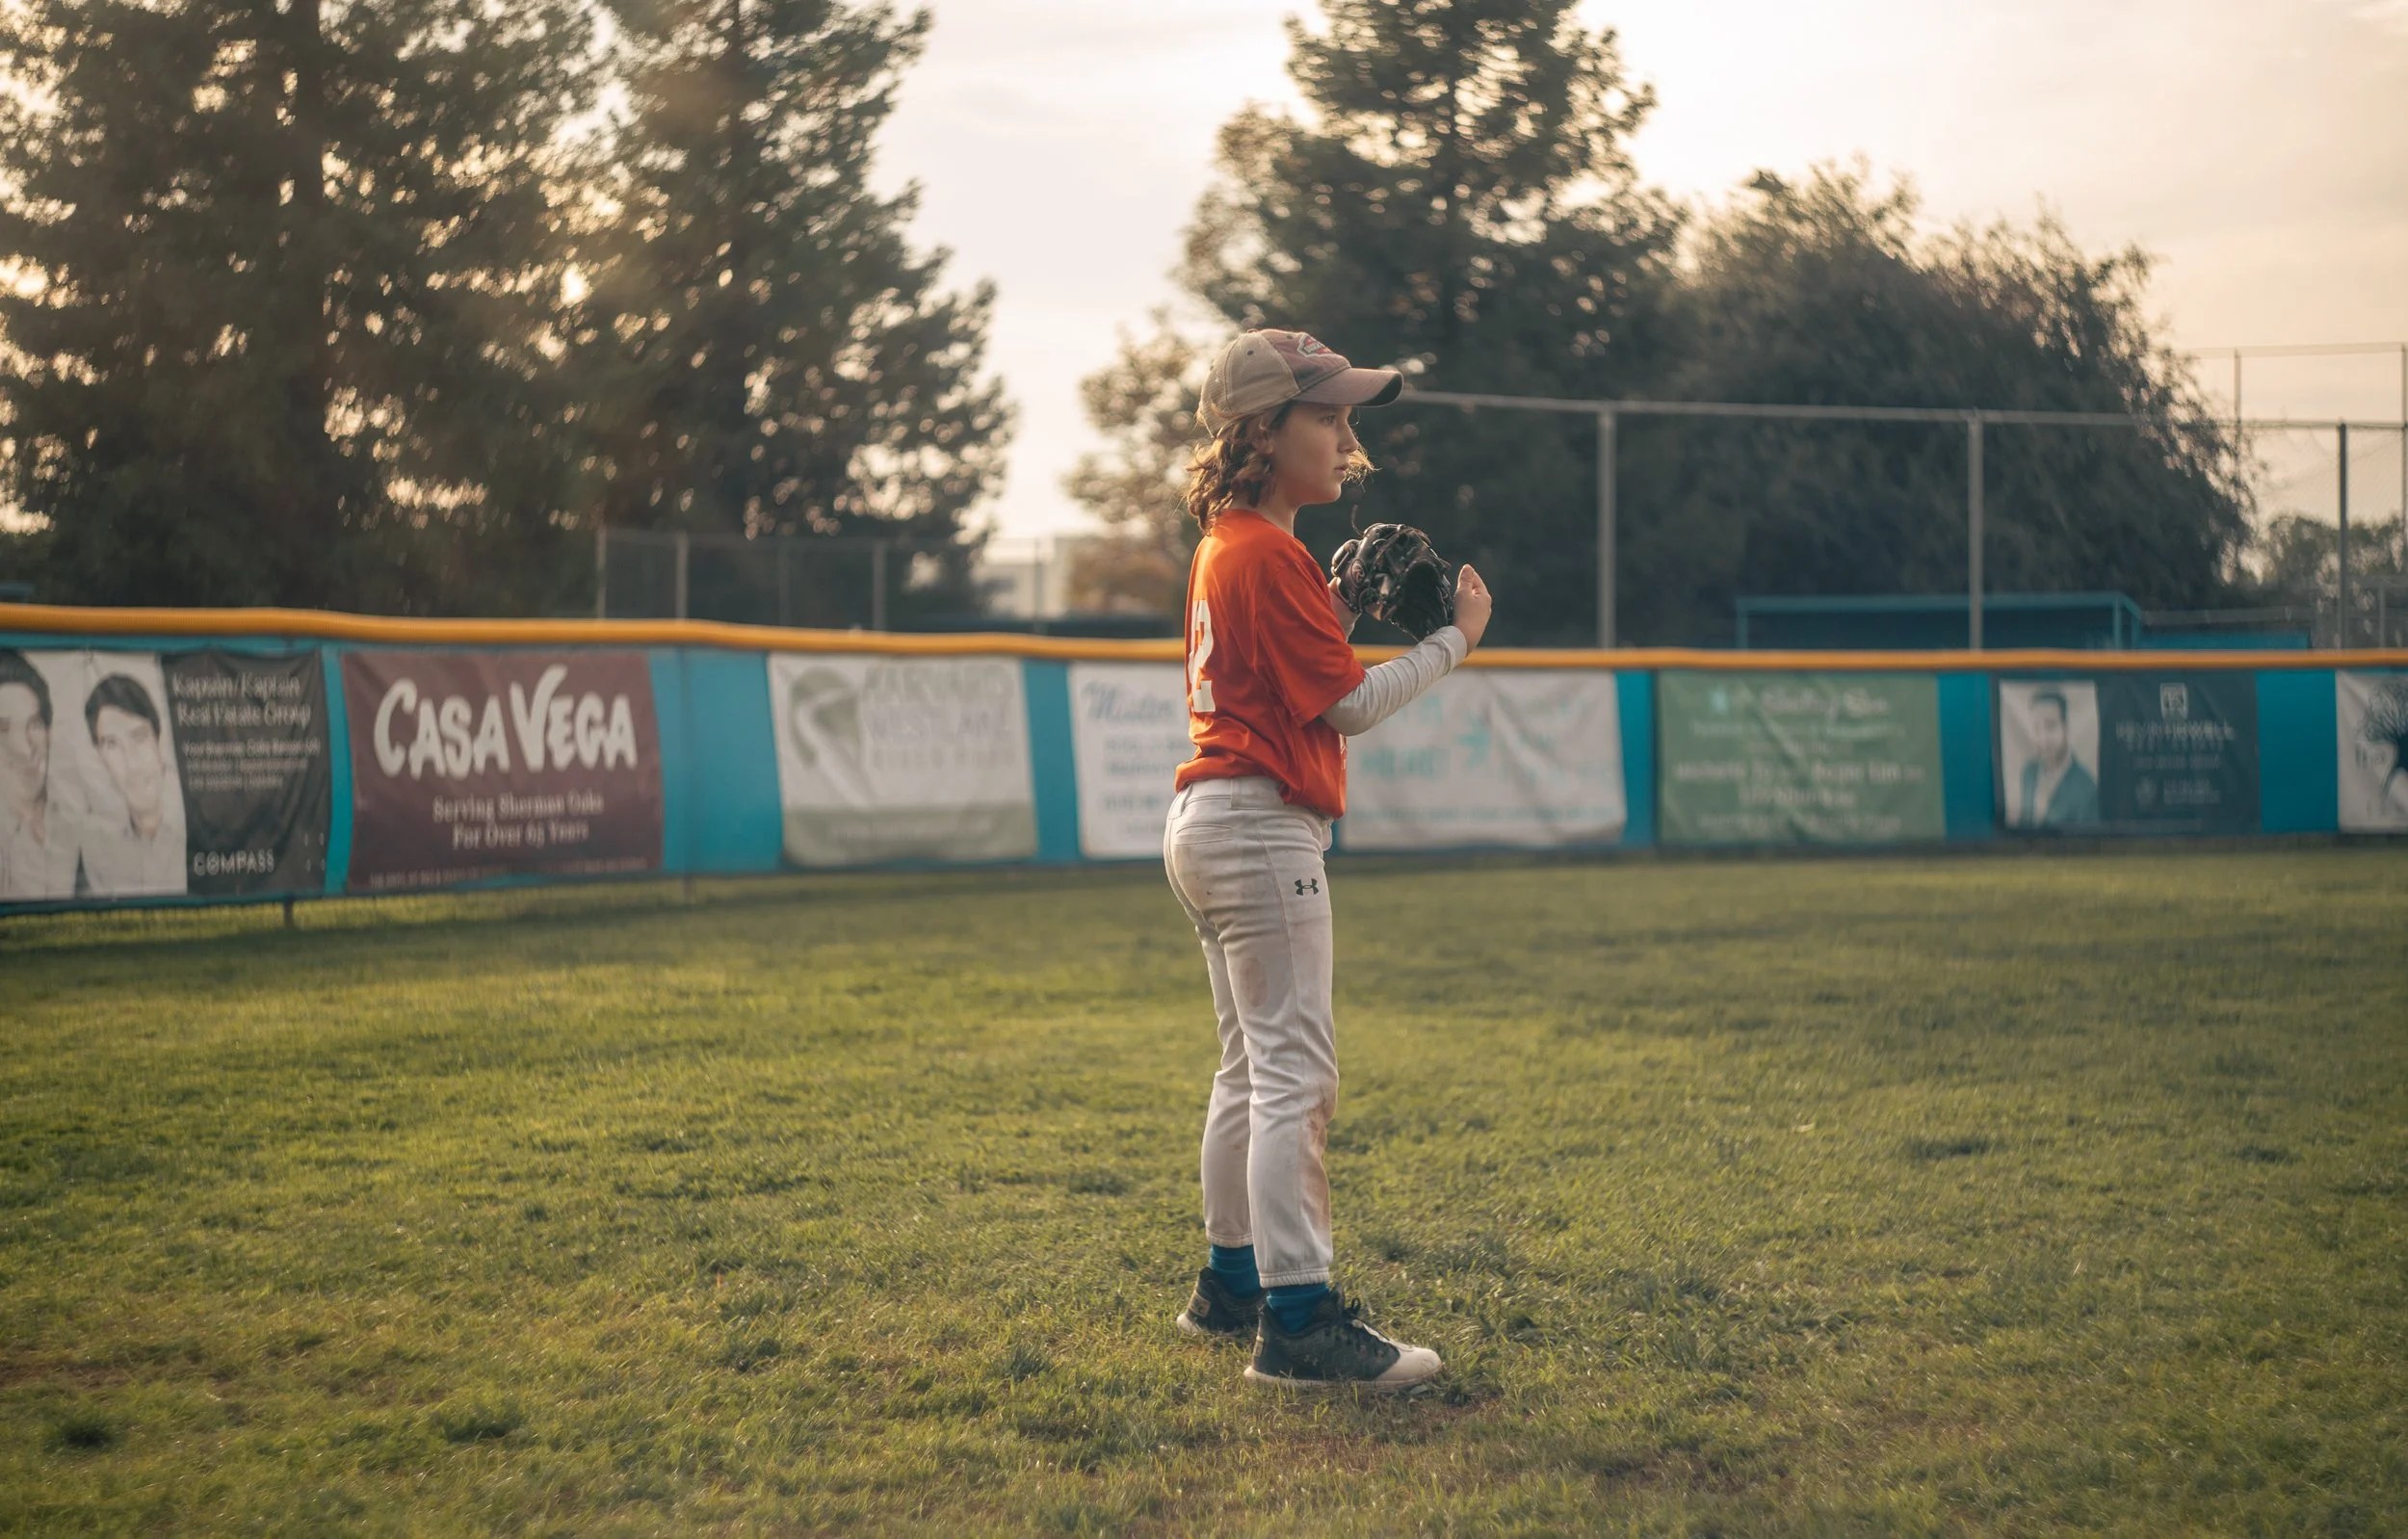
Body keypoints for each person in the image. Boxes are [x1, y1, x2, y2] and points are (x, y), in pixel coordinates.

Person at [1163, 329, 1493, 1391]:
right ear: (1261, 432)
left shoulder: (1232, 542)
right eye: (1328, 416)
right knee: (1295, 1074)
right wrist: (1454, 642)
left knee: (1248, 1068)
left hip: (1213, 820)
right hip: (1260, 828)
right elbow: (1343, 704)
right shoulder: (1268, 552)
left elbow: (1290, 673)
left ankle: (1231, 1284)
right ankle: (1298, 1321)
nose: (1348, 436)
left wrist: (1339, 607)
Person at [81, 672, 186, 895]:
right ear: (100, 758)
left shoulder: (196, 824)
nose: (132, 764)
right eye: (112, 745)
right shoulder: (96, 847)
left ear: (159, 741)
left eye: (139, 737)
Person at [0, 647, 84, 900]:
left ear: (49, 732)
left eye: (34, 724)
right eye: (3, 729)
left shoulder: (80, 825)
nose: (25, 750)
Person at [2018, 687, 2099, 827]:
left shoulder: (2087, 790)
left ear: (2065, 728)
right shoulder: (2028, 773)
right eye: (2037, 728)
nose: (2043, 738)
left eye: (2050, 726)